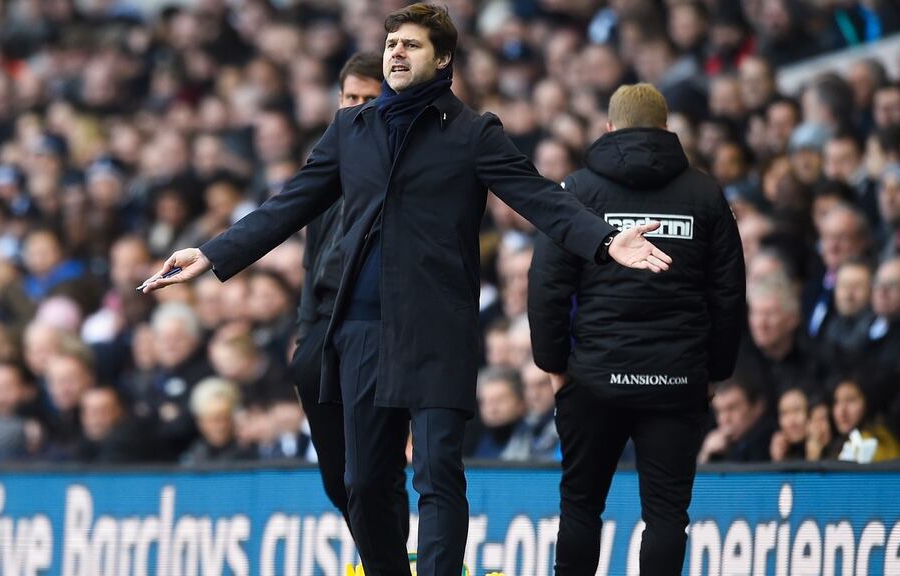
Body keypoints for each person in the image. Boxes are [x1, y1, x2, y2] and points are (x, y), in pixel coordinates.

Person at [142, 5, 671, 574]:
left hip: (437, 329)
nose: (395, 52)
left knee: (437, 473)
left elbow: (539, 197)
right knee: (364, 482)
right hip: (361, 330)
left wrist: (605, 240)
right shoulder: (351, 129)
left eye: (411, 45)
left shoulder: (473, 133)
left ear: (442, 58)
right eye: (392, 42)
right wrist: (214, 252)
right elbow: (289, 204)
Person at [528, 83, 744, 575]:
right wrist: (715, 371)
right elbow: (729, 293)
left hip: (594, 378)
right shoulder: (705, 194)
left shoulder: (579, 191)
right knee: (667, 515)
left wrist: (555, 367)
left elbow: (545, 287)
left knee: (581, 507)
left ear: (608, 129)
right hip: (676, 380)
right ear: (667, 131)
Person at [290, 52, 384, 527]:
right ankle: (377, 550)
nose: (360, 107)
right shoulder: (330, 169)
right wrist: (305, 331)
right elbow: (310, 263)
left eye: (372, 98)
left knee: (373, 475)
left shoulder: (403, 173)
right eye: (351, 98)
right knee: (339, 479)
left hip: (380, 324)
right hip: (324, 325)